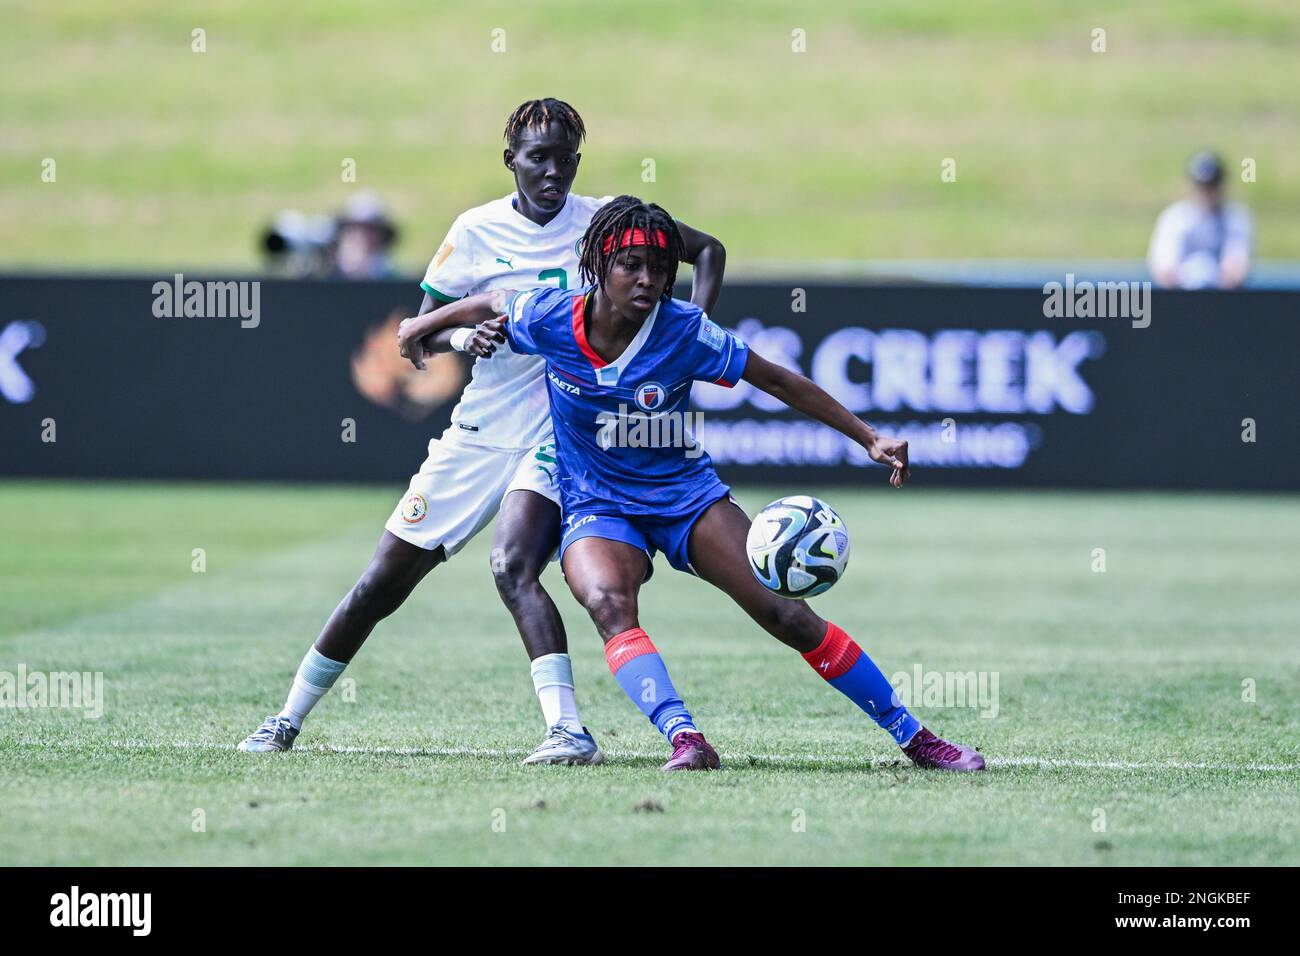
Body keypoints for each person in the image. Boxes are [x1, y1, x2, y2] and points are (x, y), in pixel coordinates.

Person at [399, 196, 985, 772]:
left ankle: (917, 739)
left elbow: (778, 381)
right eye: (633, 265)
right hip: (598, 502)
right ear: (599, 263)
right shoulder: (552, 317)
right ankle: (686, 739)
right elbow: (493, 299)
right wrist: (423, 324)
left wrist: (867, 437)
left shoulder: (685, 332)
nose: (649, 280)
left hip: (685, 497)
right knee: (606, 600)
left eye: (660, 267)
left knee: (788, 615)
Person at [239, 102, 727, 765]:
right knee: (380, 582)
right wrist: (470, 335)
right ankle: (285, 720)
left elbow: (704, 251)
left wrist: (682, 336)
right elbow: (422, 333)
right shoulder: (476, 230)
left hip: (564, 429)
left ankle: (567, 731)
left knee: (512, 564)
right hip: (481, 426)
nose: (552, 171)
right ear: (511, 162)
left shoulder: (605, 219)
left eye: (565, 158)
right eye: (538, 158)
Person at [1148, 151, 1253, 289]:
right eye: (1202, 186)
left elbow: (1236, 269)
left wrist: (1217, 278)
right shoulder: (1174, 218)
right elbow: (1164, 270)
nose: (1207, 192)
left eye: (1212, 186)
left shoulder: (1235, 218)